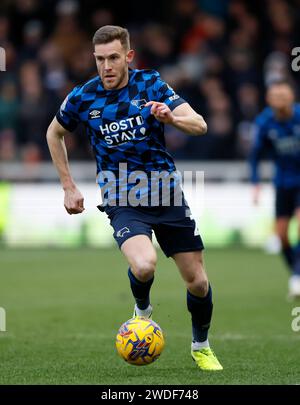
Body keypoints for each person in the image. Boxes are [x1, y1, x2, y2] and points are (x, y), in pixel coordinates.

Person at [46, 25, 223, 371]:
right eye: (100, 59)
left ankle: (200, 345)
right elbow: (54, 133)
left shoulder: (151, 84)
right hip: (122, 196)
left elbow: (199, 124)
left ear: (128, 57)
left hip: (166, 194)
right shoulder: (83, 96)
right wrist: (68, 185)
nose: (106, 66)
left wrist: (172, 119)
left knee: (198, 282)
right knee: (143, 265)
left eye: (113, 58)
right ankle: (142, 309)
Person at [250, 79, 300, 299]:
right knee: (281, 236)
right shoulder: (264, 122)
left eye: (283, 95)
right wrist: (256, 183)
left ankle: (297, 277)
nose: (279, 99)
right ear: (269, 99)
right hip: (283, 183)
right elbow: (255, 156)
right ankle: (296, 274)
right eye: (275, 96)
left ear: (292, 97)